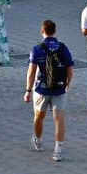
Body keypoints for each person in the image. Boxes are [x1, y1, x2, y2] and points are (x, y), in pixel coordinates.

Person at [25, 19, 74, 162]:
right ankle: (57, 151)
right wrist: (67, 84)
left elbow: (31, 71)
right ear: (55, 31)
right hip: (59, 89)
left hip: (42, 89)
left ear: (42, 31)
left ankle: (38, 142)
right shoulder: (62, 47)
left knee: (39, 116)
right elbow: (70, 69)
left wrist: (28, 90)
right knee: (59, 120)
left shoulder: (37, 48)